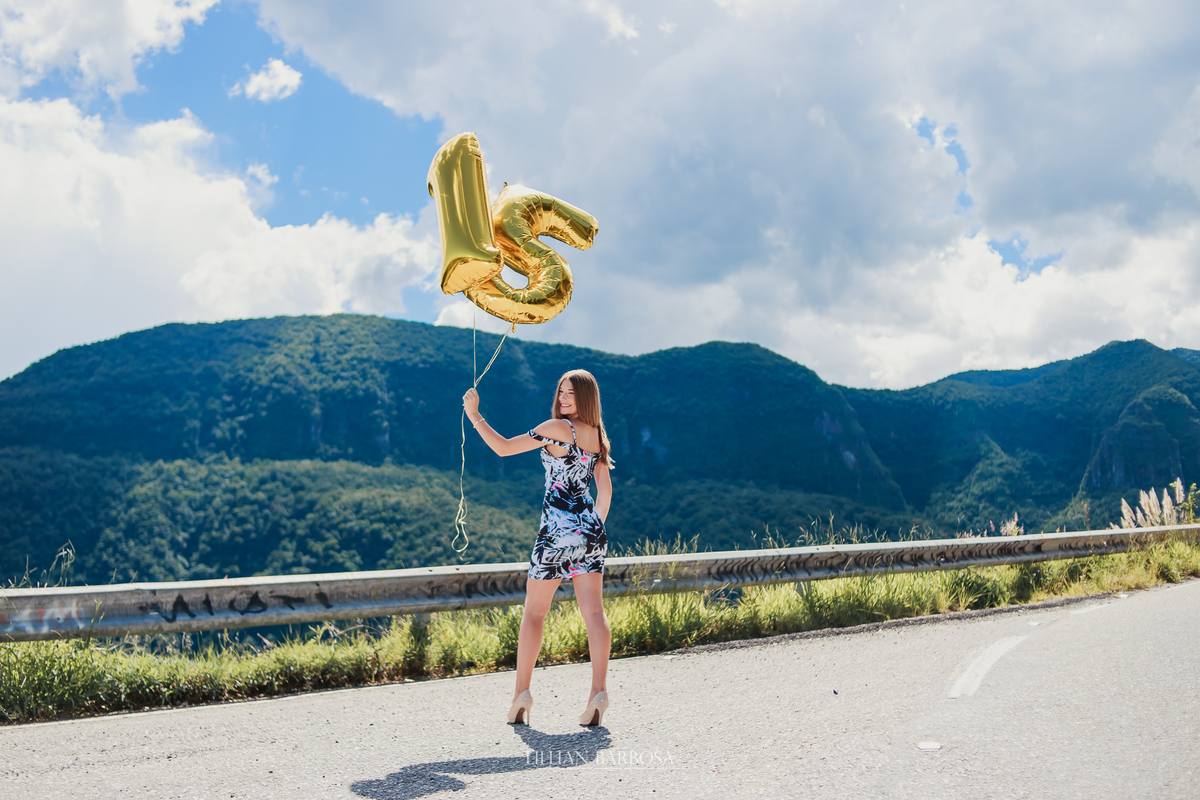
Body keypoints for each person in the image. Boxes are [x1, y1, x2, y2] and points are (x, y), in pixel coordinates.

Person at [462, 369, 614, 727]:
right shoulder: (597, 437)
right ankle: (599, 693)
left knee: (534, 613)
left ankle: (521, 695)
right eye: (561, 392)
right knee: (594, 613)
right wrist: (589, 529)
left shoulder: (557, 429)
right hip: (590, 532)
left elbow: (502, 448)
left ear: (585, 399)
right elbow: (605, 491)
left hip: (555, 535)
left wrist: (475, 415)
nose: (563, 399)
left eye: (571, 394)